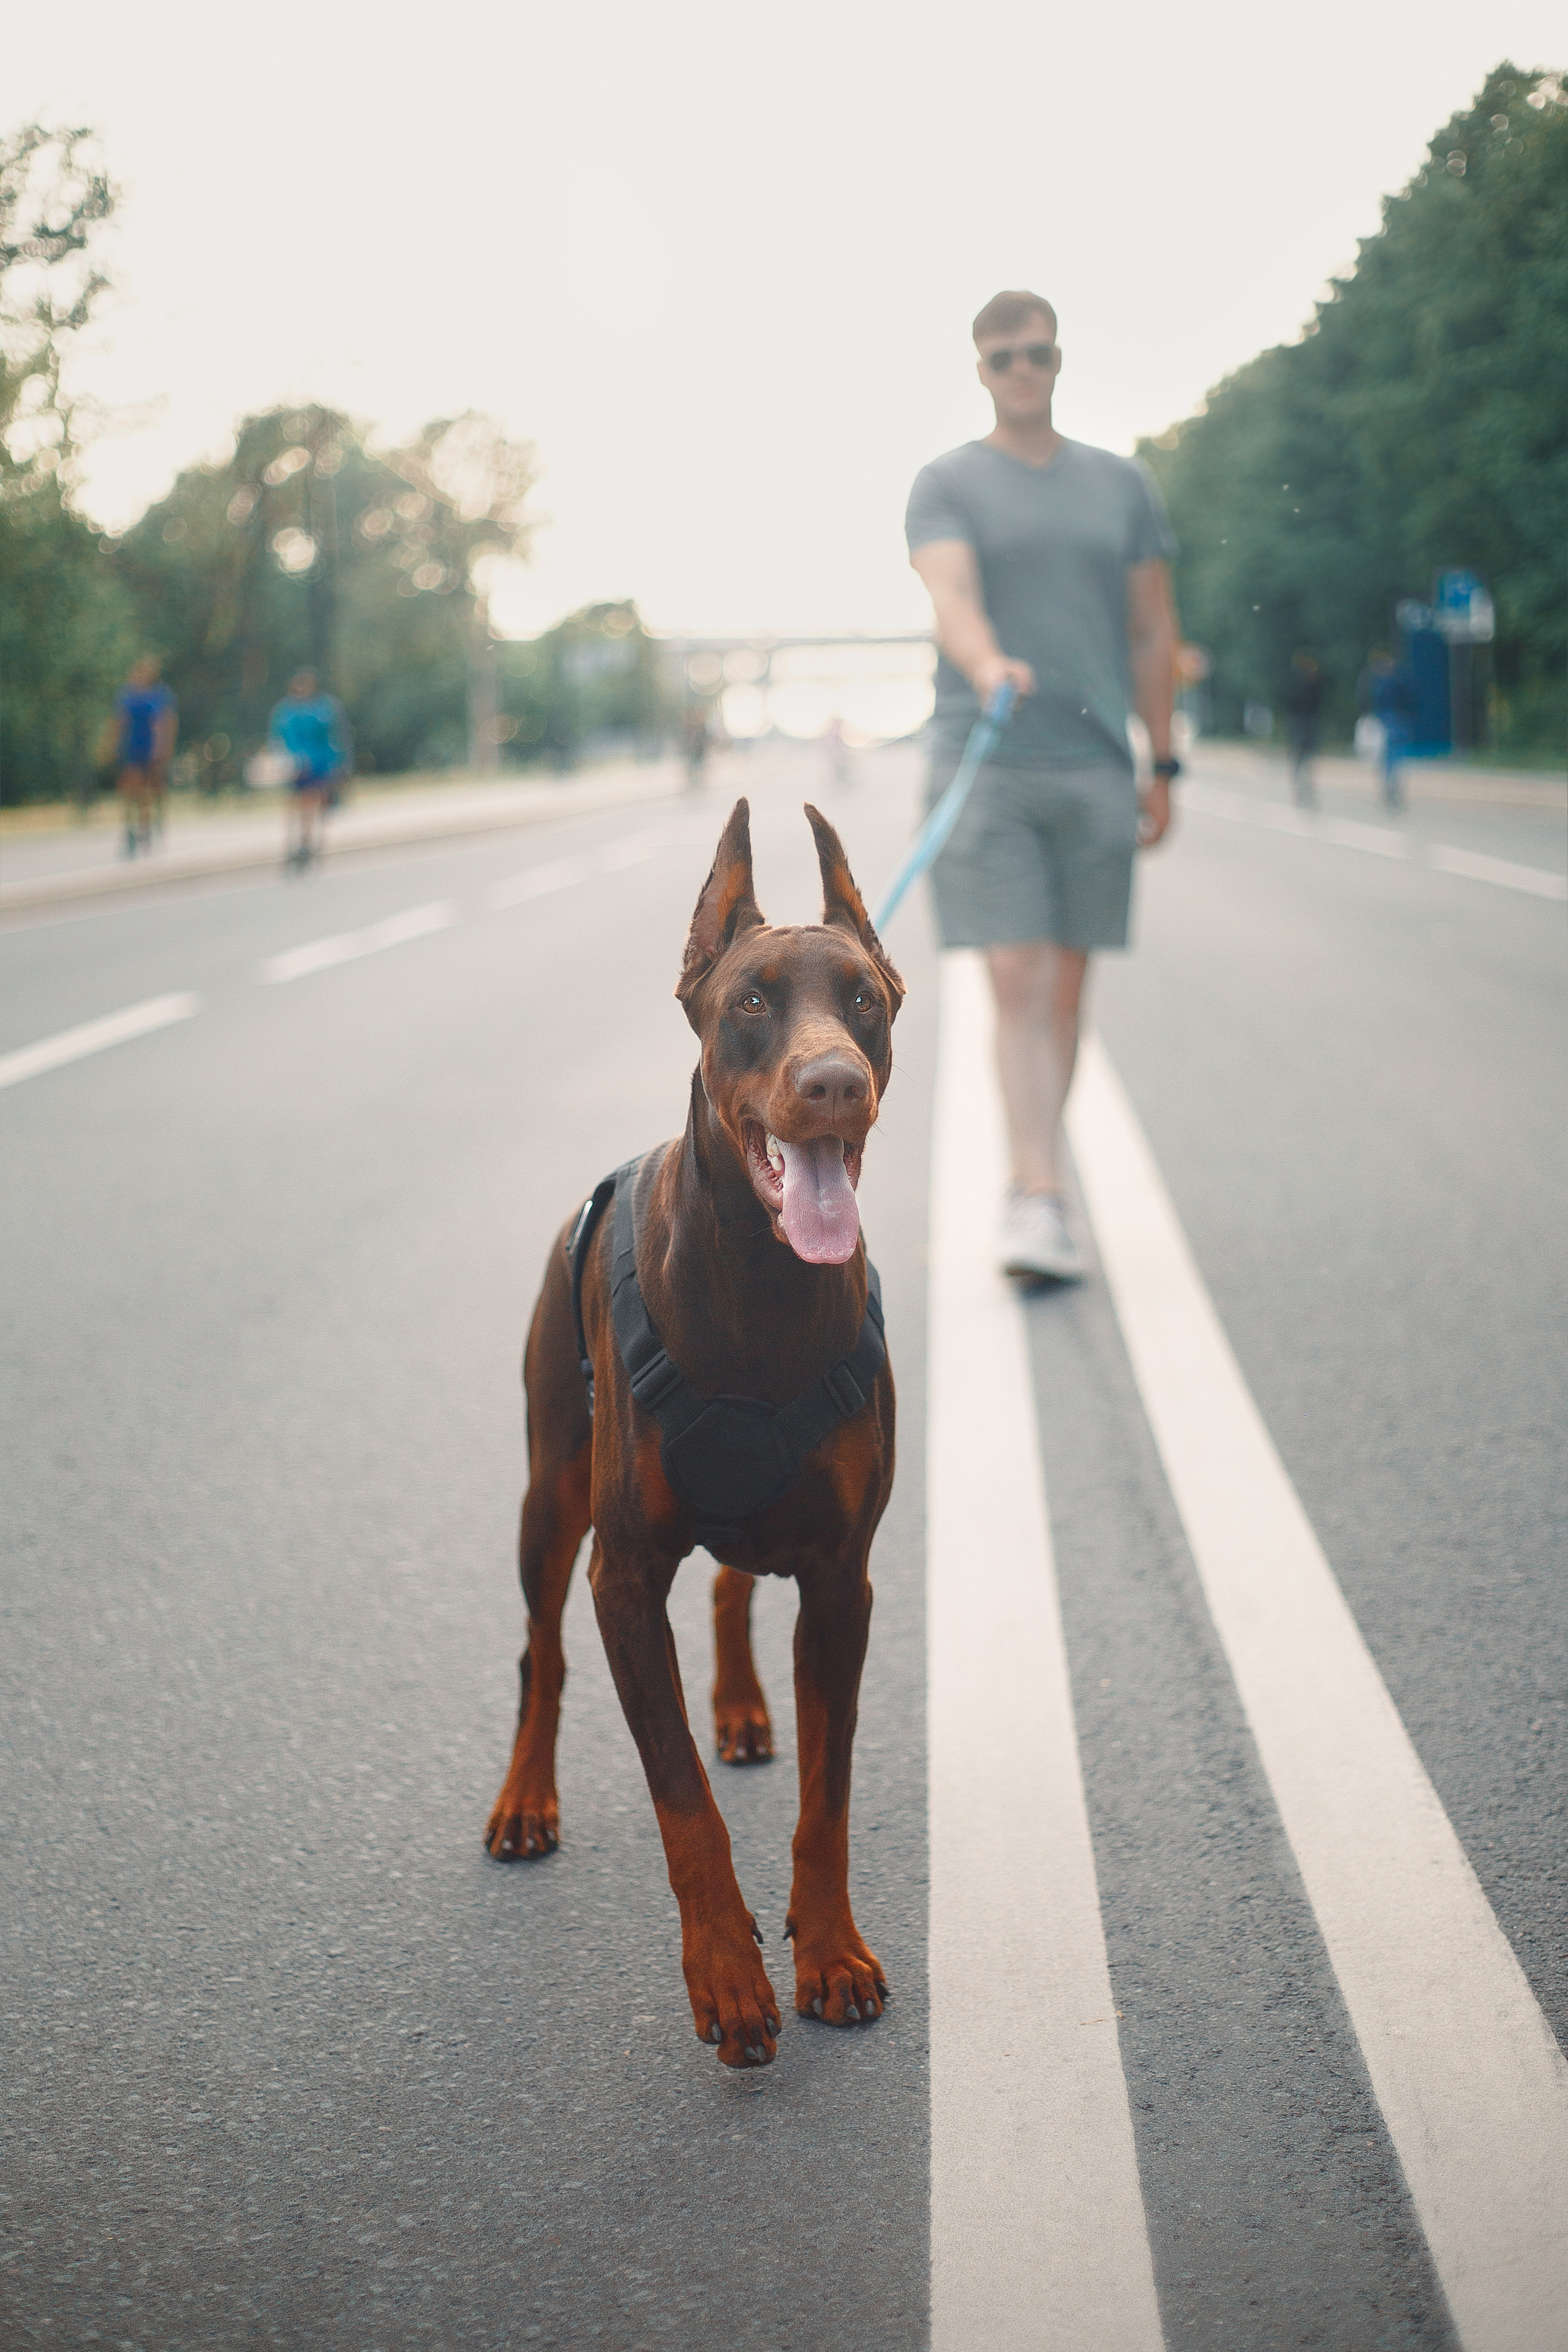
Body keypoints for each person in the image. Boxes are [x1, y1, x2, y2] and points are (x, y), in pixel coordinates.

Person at [906, 288, 1179, 1281]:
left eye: (1041, 355)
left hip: (1099, 764)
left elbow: (1153, 628)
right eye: (1007, 356)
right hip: (987, 762)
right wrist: (987, 667)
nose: (1026, 370)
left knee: (1066, 989)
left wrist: (1165, 757)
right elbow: (953, 597)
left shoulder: (1121, 485)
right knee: (1015, 976)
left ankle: (1038, 1173)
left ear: (1059, 364)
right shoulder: (947, 482)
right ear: (981, 369)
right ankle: (1038, 1195)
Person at [269, 670, 353, 869]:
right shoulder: (287, 711)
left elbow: (335, 736)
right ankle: (299, 845)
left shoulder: (323, 707)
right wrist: (289, 762)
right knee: (300, 805)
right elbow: (280, 739)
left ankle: (309, 845)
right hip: (298, 767)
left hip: (320, 765)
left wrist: (338, 764)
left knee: (315, 805)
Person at [108, 658, 178, 856]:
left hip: (152, 749)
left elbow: (166, 723)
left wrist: (163, 749)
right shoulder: (127, 697)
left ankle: (150, 826)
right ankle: (130, 829)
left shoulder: (158, 697)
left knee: (152, 790)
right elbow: (120, 722)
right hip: (132, 748)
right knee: (130, 790)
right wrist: (113, 745)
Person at [1361, 648, 1412, 813]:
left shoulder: (1379, 682)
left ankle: (1389, 783)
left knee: (1389, 756)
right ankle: (1393, 784)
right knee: (1396, 756)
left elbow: (1373, 700)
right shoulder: (1399, 679)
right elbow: (1410, 697)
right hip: (1398, 720)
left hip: (1386, 720)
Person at [1282, 651, 1324, 807]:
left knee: (1306, 758)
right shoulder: (1300, 683)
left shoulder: (1311, 684)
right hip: (1301, 722)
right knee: (1301, 757)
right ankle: (1300, 788)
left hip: (1306, 722)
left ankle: (1304, 788)